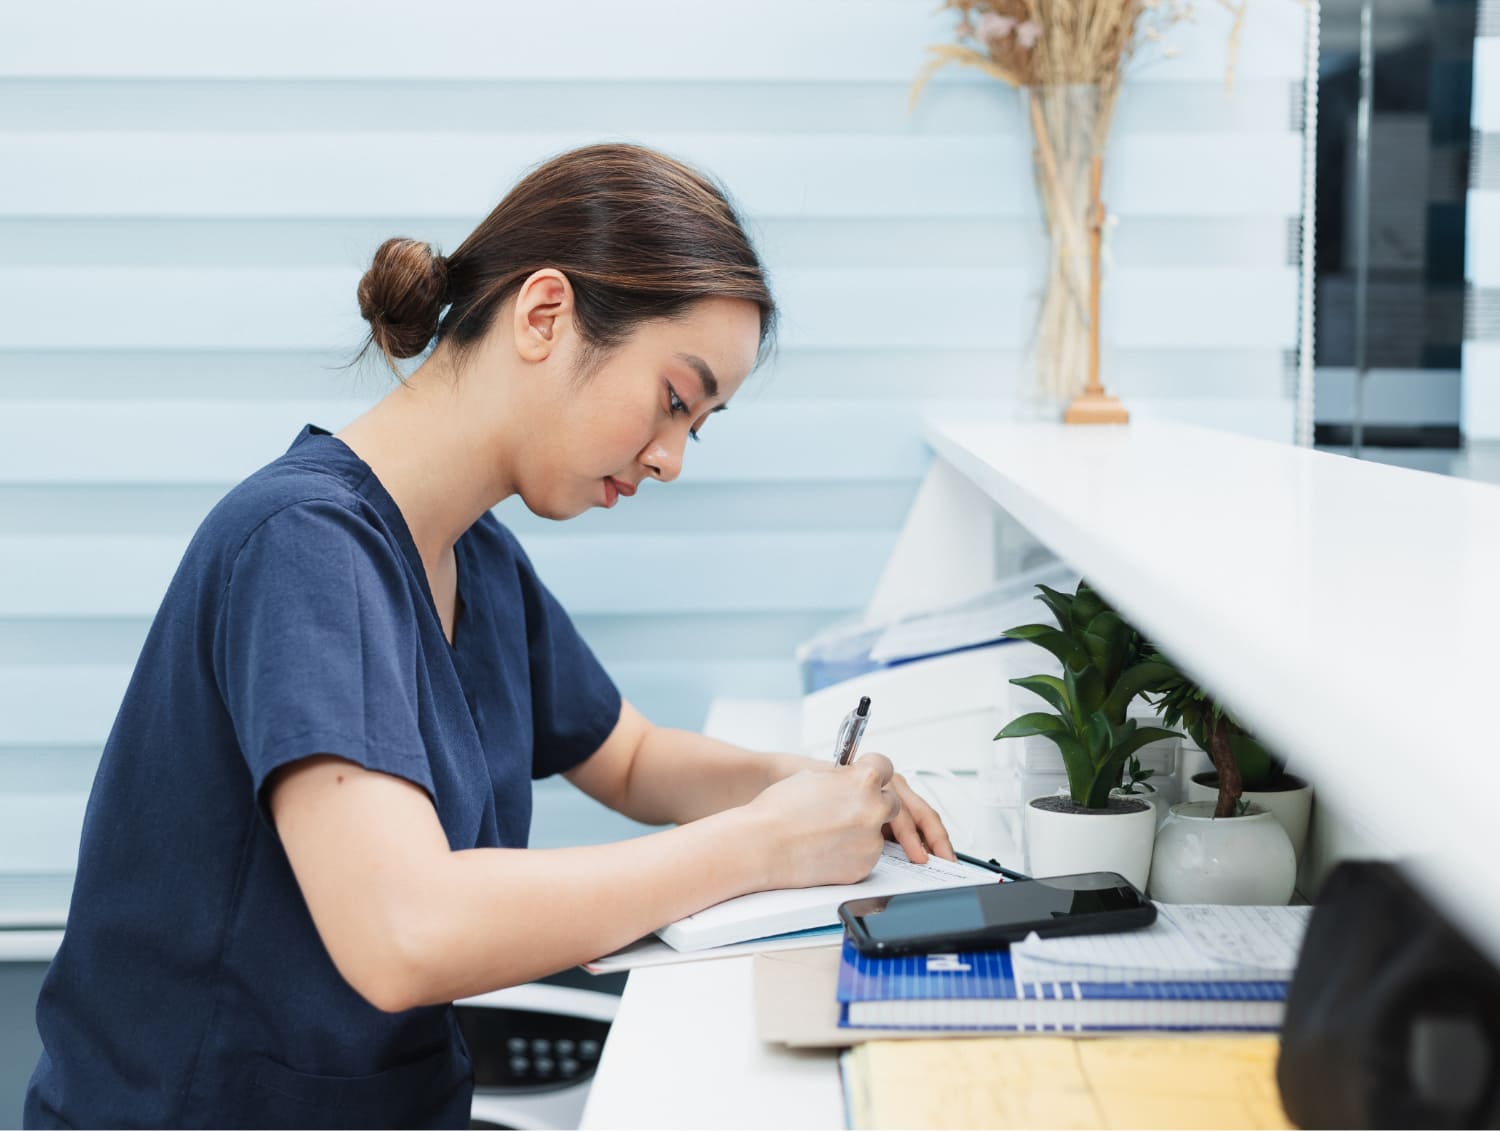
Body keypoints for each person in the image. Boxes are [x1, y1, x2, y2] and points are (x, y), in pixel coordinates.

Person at [24, 142, 953, 1129]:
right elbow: (404, 933)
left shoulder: (475, 556)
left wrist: (804, 788)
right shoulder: (303, 549)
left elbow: (630, 756)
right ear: (544, 315)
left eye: (699, 426)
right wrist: (760, 847)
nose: (673, 458)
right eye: (674, 400)